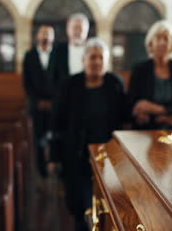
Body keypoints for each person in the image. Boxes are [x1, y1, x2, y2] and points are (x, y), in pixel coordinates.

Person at [52, 38, 127, 231]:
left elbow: (124, 117)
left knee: (108, 205)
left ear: (106, 62)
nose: (96, 62)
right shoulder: (69, 85)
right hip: (77, 154)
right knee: (82, 207)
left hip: (108, 155)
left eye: (101, 58)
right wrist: (54, 157)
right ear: (83, 60)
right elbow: (57, 123)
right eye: (92, 57)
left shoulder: (114, 83)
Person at [128, 20, 172, 130]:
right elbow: (133, 106)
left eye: (166, 39)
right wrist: (166, 116)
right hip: (145, 130)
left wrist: (153, 109)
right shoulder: (139, 69)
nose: (162, 42)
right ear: (151, 43)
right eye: (158, 38)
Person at [22, 25, 60, 178]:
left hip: (55, 105)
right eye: (43, 33)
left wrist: (54, 101)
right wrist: (37, 101)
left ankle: (55, 165)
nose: (45, 37)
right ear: (37, 36)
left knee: (55, 136)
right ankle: (41, 170)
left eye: (48, 34)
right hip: (36, 106)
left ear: (52, 38)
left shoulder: (57, 54)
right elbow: (26, 82)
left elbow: (60, 80)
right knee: (38, 138)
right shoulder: (29, 55)